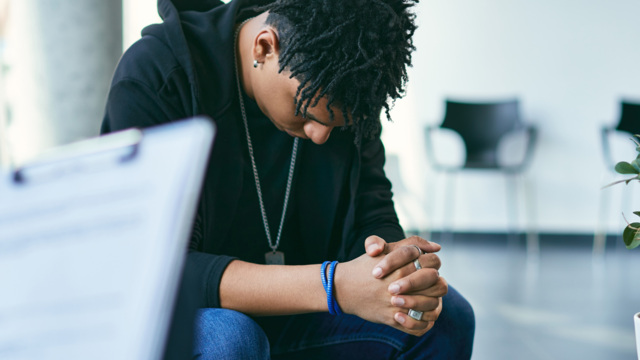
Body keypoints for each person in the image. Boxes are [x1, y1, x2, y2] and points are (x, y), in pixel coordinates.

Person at [101, 0, 475, 358]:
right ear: (265, 47)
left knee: (446, 319)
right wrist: (333, 286)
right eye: (306, 113)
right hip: (185, 316)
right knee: (231, 338)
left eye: (336, 123)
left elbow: (369, 205)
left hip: (298, 313)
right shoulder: (159, 76)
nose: (320, 135)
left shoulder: (346, 81)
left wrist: (396, 270)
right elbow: (157, 270)